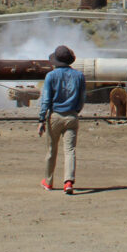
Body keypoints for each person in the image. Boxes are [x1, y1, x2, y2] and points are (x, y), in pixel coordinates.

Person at [38, 44, 85, 194]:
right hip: (72, 115)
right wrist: (76, 110)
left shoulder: (51, 76)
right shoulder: (79, 76)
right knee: (70, 150)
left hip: (55, 116)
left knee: (51, 150)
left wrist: (41, 119)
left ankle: (49, 181)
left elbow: (46, 99)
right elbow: (82, 98)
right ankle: (68, 182)